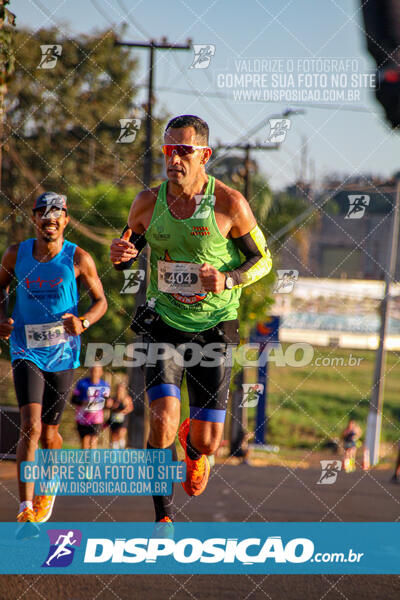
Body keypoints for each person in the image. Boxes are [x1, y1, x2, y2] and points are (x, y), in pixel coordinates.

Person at [110, 114, 272, 525]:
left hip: (215, 327)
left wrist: (228, 278)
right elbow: (130, 245)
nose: (175, 159)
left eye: (184, 150)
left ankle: (195, 448)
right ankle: (163, 518)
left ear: (205, 156)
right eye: (169, 150)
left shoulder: (229, 204)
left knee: (209, 439)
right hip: (163, 323)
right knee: (161, 422)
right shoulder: (147, 202)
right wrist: (122, 257)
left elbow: (263, 260)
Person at [0, 191, 107, 526]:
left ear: (65, 220)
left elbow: (101, 300)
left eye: (56, 217)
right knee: (30, 427)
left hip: (62, 354)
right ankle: (25, 508)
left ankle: (52, 480)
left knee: (49, 434)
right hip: (25, 349)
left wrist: (83, 322)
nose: (50, 222)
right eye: (43, 217)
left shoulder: (79, 258)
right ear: (34, 219)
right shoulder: (16, 254)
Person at [72, 366, 110, 449]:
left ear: (101, 372)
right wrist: (84, 402)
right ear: (90, 371)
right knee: (85, 439)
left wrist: (109, 404)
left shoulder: (105, 385)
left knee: (93, 439)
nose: (94, 373)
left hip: (97, 418)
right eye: (92, 371)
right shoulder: (82, 383)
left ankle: (92, 461)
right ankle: (85, 460)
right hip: (82, 416)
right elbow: (73, 400)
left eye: (97, 371)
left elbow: (107, 402)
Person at [105, 382, 133, 449]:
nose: (119, 391)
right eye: (118, 389)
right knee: (114, 436)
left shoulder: (127, 399)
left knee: (121, 433)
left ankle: (122, 451)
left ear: (124, 390)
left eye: (121, 389)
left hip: (123, 418)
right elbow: (108, 406)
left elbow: (130, 408)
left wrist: (123, 411)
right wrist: (110, 406)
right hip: (114, 418)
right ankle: (115, 454)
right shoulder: (113, 399)